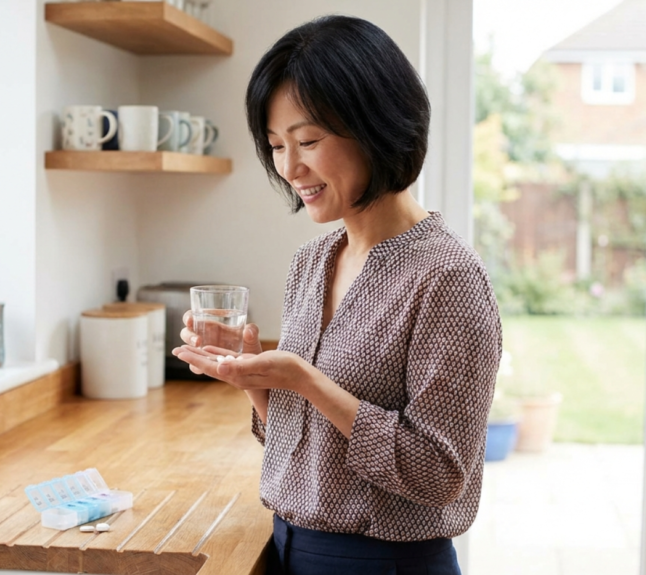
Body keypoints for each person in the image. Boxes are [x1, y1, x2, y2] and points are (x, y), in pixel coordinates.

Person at [172, 14, 502, 575]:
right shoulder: (312, 263)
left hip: (384, 564)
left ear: (376, 126)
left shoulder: (447, 278)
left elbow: (439, 475)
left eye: (308, 141)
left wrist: (307, 380)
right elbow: (307, 447)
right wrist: (255, 379)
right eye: (276, 146)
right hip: (290, 550)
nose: (289, 167)